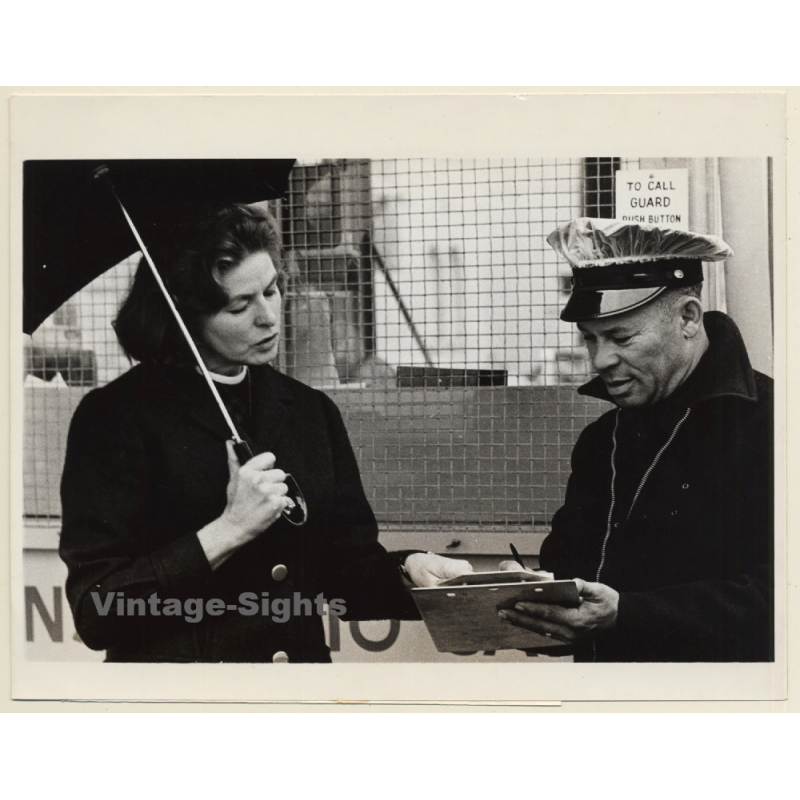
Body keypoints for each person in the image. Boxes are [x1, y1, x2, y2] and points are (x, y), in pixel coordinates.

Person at [59, 203, 471, 663]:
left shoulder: (310, 410)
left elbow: (344, 567)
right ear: (185, 316)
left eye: (272, 290)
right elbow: (97, 610)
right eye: (240, 304)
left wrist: (409, 570)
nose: (269, 316)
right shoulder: (115, 418)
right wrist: (228, 531)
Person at [499, 218, 773, 662]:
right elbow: (572, 574)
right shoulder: (600, 441)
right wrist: (533, 600)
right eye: (589, 339)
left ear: (688, 317)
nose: (601, 359)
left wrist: (629, 614)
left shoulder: (776, 426)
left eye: (621, 337)